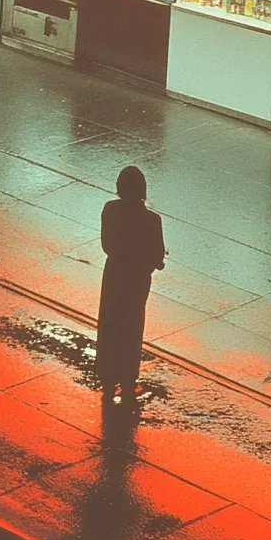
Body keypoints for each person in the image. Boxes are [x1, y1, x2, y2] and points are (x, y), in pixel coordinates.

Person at [95, 166, 165, 406]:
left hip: (115, 275)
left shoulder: (110, 210)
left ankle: (107, 377)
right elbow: (156, 255)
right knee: (131, 328)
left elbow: (107, 245)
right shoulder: (152, 220)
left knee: (110, 325)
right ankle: (127, 379)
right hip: (137, 279)